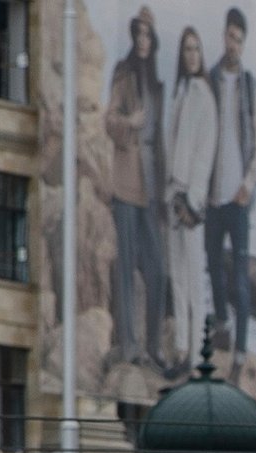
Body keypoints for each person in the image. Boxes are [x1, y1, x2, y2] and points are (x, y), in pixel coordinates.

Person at [102, 8, 167, 370]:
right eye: (138, 34)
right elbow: (109, 120)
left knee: (157, 268)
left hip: (151, 188)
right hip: (126, 182)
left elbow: (160, 141)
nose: (143, 40)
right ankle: (128, 344)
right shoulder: (123, 74)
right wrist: (130, 122)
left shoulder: (157, 84)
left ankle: (154, 345)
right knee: (126, 266)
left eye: (148, 35)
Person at [204, 6, 256, 360]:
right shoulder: (210, 80)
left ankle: (242, 350)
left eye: (239, 40)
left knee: (239, 276)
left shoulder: (250, 86)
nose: (233, 45)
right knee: (213, 265)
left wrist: (249, 183)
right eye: (230, 36)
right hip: (213, 195)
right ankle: (222, 329)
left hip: (238, 197)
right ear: (223, 36)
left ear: (244, 44)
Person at [161, 25, 215, 376]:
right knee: (177, 277)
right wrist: (171, 193)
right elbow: (172, 143)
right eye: (186, 49)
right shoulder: (179, 92)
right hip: (173, 191)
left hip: (191, 198)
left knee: (194, 281)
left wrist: (192, 200)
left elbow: (203, 153)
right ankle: (182, 349)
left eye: (196, 49)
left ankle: (198, 356)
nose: (191, 55)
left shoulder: (204, 97)